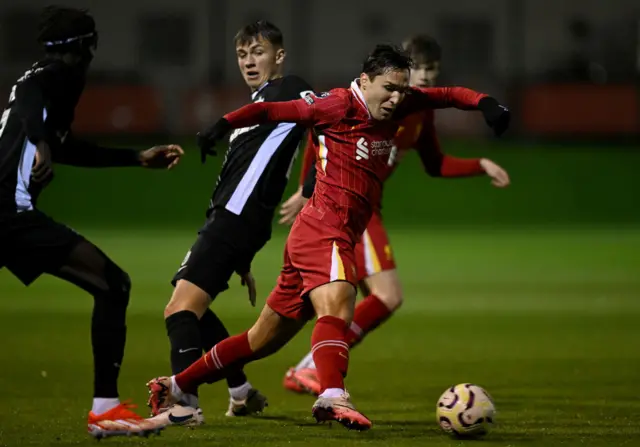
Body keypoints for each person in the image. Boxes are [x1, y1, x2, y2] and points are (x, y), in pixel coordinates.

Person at [146, 43, 510, 432]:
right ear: (365, 80)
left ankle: (175, 385)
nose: (396, 98)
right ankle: (332, 395)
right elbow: (272, 110)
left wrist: (487, 103)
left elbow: (449, 95)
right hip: (324, 229)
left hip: (325, 234)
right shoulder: (336, 105)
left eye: (402, 90)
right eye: (389, 88)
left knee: (260, 341)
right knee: (339, 300)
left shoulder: (400, 103)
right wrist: (224, 123)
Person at [280, 34, 511, 396]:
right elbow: (323, 134)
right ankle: (309, 370)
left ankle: (303, 373)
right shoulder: (375, 103)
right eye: (421, 69)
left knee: (333, 304)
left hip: (367, 208)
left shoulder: (418, 114)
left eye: (433, 71)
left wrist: (480, 164)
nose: (427, 78)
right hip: (349, 208)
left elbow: (435, 164)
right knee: (386, 295)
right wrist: (305, 190)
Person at [0, 6, 184, 439]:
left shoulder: (47, 79)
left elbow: (67, 147)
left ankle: (106, 408)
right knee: (112, 284)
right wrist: (42, 142)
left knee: (110, 285)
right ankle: (105, 409)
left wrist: (135, 158)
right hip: (10, 213)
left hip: (7, 213)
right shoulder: (55, 76)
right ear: (87, 46)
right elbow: (31, 104)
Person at [148, 20, 317, 426]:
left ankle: (184, 401)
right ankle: (240, 391)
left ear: (279, 56)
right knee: (196, 308)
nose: (248, 61)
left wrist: (309, 187)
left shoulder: (291, 88)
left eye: (258, 52)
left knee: (180, 309)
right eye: (242, 54)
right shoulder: (257, 105)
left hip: (236, 219)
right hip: (233, 219)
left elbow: (328, 122)